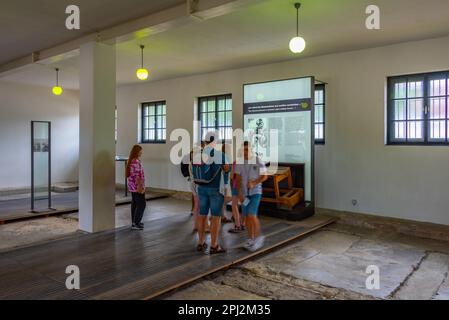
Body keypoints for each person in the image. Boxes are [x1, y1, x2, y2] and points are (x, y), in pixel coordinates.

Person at [192, 134, 229, 254]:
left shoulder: (197, 154)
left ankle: (201, 243)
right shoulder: (220, 155)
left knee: (202, 216)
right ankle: (214, 245)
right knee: (215, 217)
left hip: (201, 188)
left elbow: (194, 171)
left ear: (205, 141)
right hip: (215, 189)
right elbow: (227, 170)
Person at [236, 141, 268, 251]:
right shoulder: (240, 162)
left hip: (255, 192)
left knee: (251, 215)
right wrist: (239, 193)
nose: (245, 152)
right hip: (245, 194)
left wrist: (254, 183)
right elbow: (238, 179)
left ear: (251, 149)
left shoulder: (258, 160)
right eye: (243, 150)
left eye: (247, 150)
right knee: (247, 216)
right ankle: (250, 238)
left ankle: (259, 237)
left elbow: (265, 176)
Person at [126, 145, 146, 231]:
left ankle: (134, 222)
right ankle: (136, 223)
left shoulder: (131, 161)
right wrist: (141, 187)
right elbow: (138, 176)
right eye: (141, 151)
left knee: (135, 204)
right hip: (137, 187)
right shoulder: (135, 162)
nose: (142, 152)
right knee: (142, 204)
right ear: (137, 152)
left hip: (132, 186)